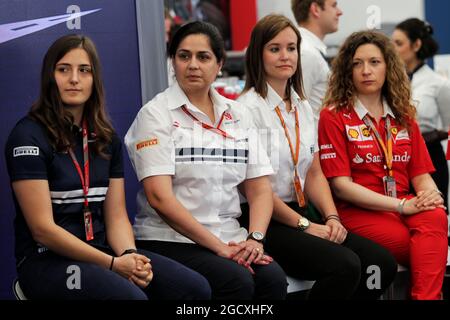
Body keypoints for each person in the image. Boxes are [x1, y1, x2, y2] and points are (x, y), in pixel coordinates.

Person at [4, 34, 211, 300]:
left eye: (84, 70)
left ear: (94, 79)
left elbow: (115, 217)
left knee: (194, 290)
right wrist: (113, 265)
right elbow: (43, 230)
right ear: (49, 77)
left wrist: (129, 256)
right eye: (63, 69)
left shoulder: (105, 138)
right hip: (47, 262)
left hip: (103, 252)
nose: (74, 79)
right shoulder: (28, 136)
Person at [238, 14, 397, 300]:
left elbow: (313, 172)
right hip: (263, 219)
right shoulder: (246, 110)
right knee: (344, 266)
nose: (285, 56)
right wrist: (307, 226)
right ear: (258, 55)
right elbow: (256, 190)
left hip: (301, 213)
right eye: (275, 49)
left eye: (291, 48)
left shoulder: (301, 106)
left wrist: (331, 217)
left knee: (379, 263)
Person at [125, 21, 287, 300]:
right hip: (171, 239)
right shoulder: (155, 115)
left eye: (203, 57)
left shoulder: (239, 114)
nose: (193, 65)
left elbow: (260, 189)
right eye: (183, 56)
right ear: (172, 61)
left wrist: (255, 239)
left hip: (230, 236)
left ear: (219, 64)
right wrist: (219, 247)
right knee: (236, 282)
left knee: (273, 280)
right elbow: (159, 197)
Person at [318, 30, 448, 300]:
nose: (366, 70)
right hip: (358, 210)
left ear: (388, 66)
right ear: (347, 70)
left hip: (405, 206)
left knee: (436, 216)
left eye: (375, 62)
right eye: (357, 63)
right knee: (423, 244)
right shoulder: (333, 116)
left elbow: (421, 175)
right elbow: (341, 187)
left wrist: (431, 196)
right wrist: (402, 205)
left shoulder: (403, 115)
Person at [392, 18, 450, 209]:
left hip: (430, 156)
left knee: (432, 211)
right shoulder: (388, 83)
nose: (392, 48)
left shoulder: (438, 83)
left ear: (416, 44)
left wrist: (435, 134)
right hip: (396, 156)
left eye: (398, 43)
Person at [290, 0, 343, 122]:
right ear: (316, 9)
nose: (340, 12)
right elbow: (295, 113)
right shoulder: (306, 53)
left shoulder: (308, 50)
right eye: (334, 5)